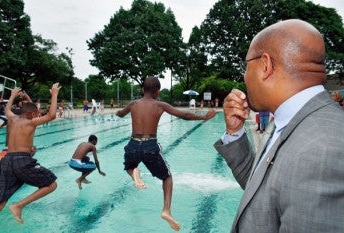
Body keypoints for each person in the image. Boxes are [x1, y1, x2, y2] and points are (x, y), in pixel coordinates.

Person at [214, 19, 344, 233]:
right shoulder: (289, 120)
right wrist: (235, 133)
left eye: (246, 66)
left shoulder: (323, 150)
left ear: (265, 65)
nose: (244, 76)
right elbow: (261, 189)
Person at [116, 76, 216, 231]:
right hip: (150, 145)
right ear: (157, 91)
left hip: (133, 144)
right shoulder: (160, 104)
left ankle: (135, 172)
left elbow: (121, 113)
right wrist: (204, 117)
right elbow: (184, 115)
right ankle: (166, 210)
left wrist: (118, 113)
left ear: (143, 90)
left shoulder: (133, 104)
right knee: (167, 177)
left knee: (129, 166)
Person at [0, 83, 61, 224]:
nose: (38, 115)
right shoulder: (31, 122)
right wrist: (54, 94)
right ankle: (19, 205)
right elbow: (52, 115)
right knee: (51, 184)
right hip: (22, 161)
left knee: (0, 200)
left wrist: (12, 95)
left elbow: (7, 109)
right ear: (32, 115)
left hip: (7, 161)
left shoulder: (13, 119)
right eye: (36, 114)